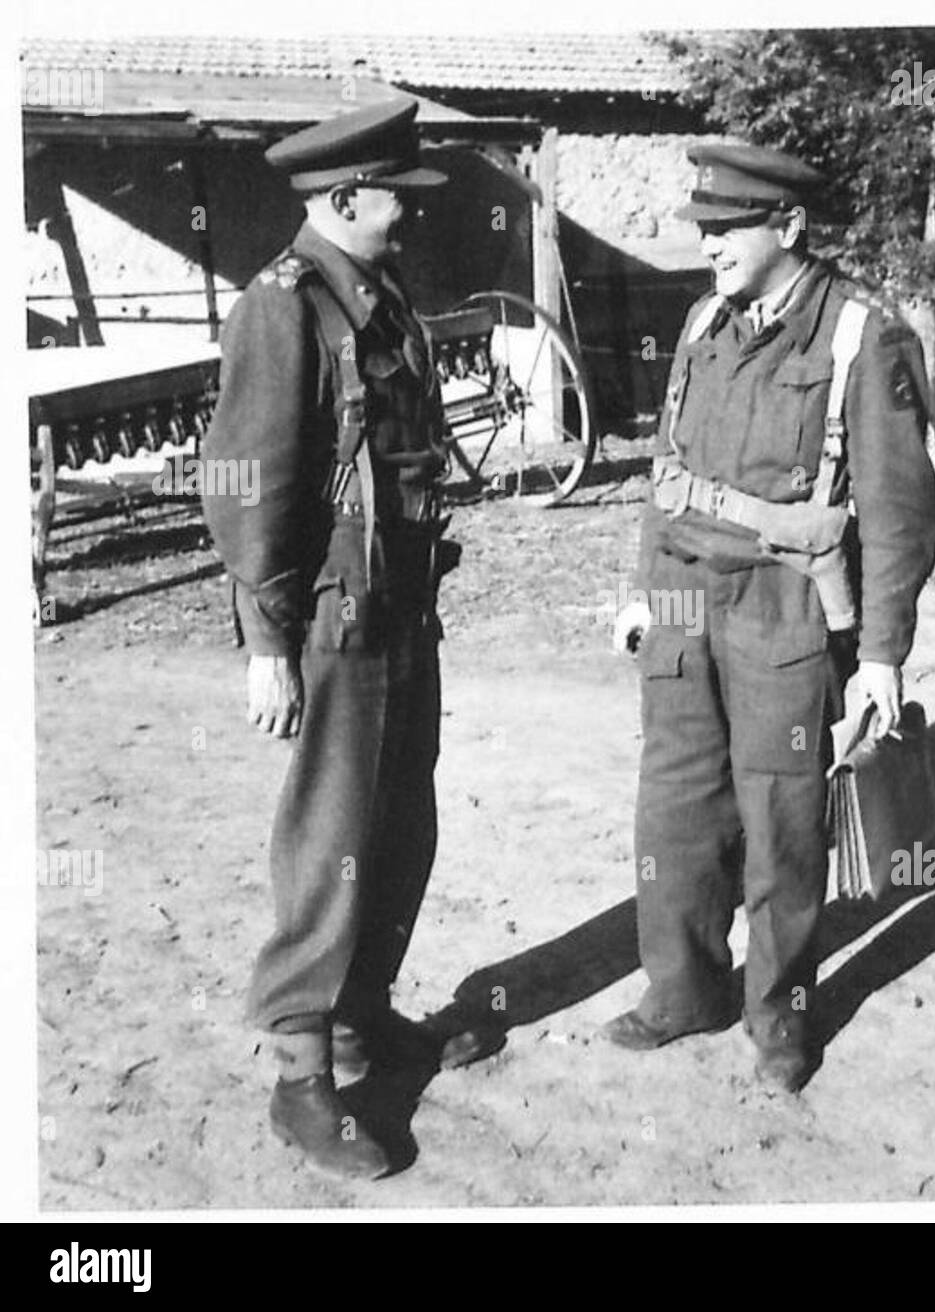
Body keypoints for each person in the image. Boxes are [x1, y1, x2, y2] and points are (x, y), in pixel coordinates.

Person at [605, 142, 935, 1093]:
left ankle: (781, 1015)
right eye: (703, 226)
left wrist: (880, 657)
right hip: (683, 610)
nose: (707, 243)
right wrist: (644, 593)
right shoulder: (705, 318)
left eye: (726, 227)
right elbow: (667, 476)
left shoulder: (860, 336)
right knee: (673, 813)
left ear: (787, 228)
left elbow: (901, 513)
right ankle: (681, 988)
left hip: (785, 616)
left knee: (784, 823)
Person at [202, 96, 490, 1180]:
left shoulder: (379, 296)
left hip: (403, 606)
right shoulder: (282, 310)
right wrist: (265, 638)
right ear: (341, 198)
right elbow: (242, 484)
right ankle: (300, 1075)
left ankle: (363, 1016)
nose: (406, 217)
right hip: (330, 621)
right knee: (329, 844)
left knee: (398, 824)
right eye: (392, 201)